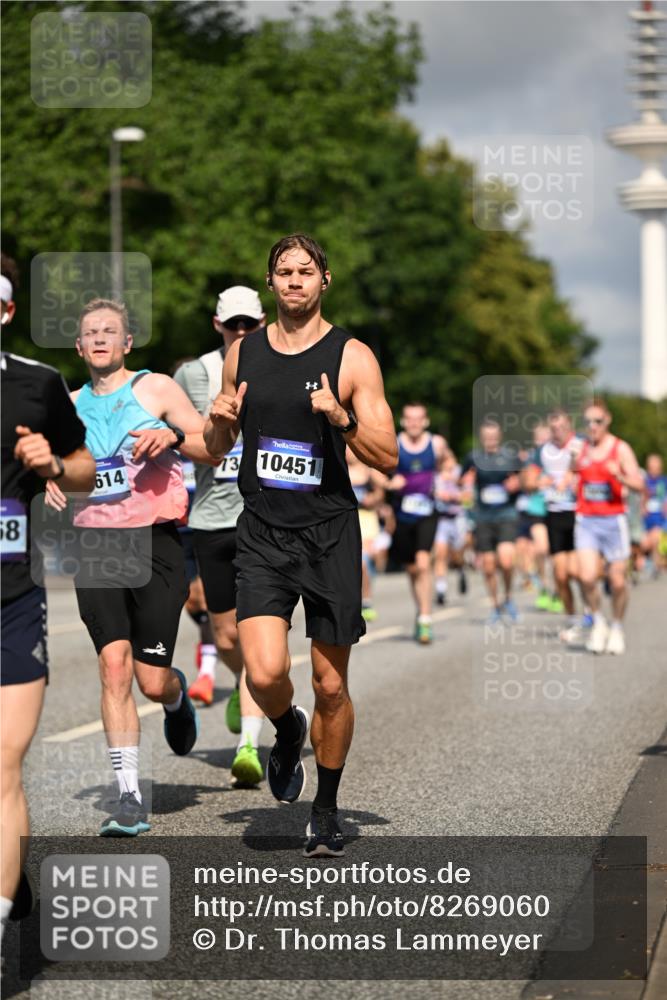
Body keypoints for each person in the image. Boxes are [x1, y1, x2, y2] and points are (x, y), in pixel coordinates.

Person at [204, 234, 397, 856]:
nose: (294, 282)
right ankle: (286, 731)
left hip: (329, 534)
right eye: (283, 272)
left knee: (331, 686)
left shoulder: (353, 357)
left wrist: (339, 417)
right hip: (261, 531)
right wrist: (220, 422)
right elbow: (213, 444)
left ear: (324, 280)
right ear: (270, 284)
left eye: (304, 272)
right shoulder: (245, 354)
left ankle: (327, 808)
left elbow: (387, 458)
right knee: (262, 672)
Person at [45, 298, 214, 835]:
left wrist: (175, 436)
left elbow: (212, 443)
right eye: (90, 332)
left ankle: (176, 693)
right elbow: (56, 468)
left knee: (150, 680)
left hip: (154, 544)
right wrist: (50, 479)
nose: (99, 338)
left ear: (127, 342)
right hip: (95, 546)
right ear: (78, 346)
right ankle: (128, 797)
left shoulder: (156, 388)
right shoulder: (65, 406)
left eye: (109, 331)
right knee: (113, 667)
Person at [1, 253, 95, 943]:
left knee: (2, 762)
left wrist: (53, 465)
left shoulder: (38, 385)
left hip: (11, 598)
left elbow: (85, 468)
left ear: (6, 311)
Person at [174, 286, 266, 785]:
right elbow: (173, 433)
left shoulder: (278, 363)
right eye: (234, 326)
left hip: (265, 520)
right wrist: (210, 438)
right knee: (226, 633)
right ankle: (239, 679)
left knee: (257, 634)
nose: (242, 334)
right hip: (209, 517)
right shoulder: (192, 375)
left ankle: (249, 743)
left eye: (250, 325)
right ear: (218, 325)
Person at [574, 399, 643, 655]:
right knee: (587, 577)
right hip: (587, 520)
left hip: (614, 521)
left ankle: (616, 626)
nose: (592, 427)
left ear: (608, 420)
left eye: (598, 422)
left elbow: (639, 485)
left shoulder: (620, 449)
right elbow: (570, 477)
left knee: (617, 581)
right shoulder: (580, 448)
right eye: (588, 422)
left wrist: (620, 476)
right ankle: (599, 623)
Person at [386, 403, 446, 644]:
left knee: (423, 563)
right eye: (409, 419)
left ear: (426, 421)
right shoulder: (394, 442)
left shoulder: (437, 444)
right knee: (412, 569)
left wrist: (444, 481)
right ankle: (420, 609)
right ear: (403, 421)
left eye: (418, 419)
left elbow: (446, 467)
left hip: (428, 512)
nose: (414, 423)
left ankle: (426, 618)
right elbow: (377, 471)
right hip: (402, 514)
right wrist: (390, 482)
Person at [460, 420, 522, 624]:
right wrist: (466, 483)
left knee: (505, 560)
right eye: (487, 436)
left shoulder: (509, 457)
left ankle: (509, 597)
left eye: (493, 436)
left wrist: (517, 484)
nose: (490, 440)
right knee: (487, 566)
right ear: (481, 437)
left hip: (506, 513)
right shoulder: (474, 457)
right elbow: (462, 481)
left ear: (499, 436)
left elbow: (524, 480)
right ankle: (495, 605)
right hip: (483, 516)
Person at [345, 445, 387, 622]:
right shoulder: (338, 468)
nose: (348, 452)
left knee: (362, 562)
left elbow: (381, 492)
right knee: (348, 565)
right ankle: (351, 600)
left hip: (366, 519)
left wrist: (373, 499)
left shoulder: (369, 472)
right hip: (345, 519)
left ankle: (366, 601)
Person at [432, 449, 467, 605]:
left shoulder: (461, 476)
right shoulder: (436, 477)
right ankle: (441, 589)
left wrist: (454, 495)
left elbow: (468, 496)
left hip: (458, 518)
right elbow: (435, 494)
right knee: (440, 553)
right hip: (442, 519)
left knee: (457, 555)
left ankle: (460, 569)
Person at [641, 454, 667, 577]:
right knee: (645, 542)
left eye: (656, 465)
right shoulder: (644, 481)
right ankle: (650, 563)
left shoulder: (664, 481)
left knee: (656, 538)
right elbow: (640, 498)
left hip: (661, 519)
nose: (653, 468)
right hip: (646, 519)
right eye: (651, 466)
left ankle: (656, 565)